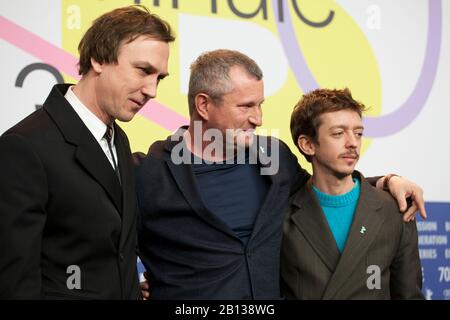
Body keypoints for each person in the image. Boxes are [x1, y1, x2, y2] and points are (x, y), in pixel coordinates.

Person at [136, 49, 426, 299]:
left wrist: (388, 182)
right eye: (246, 106)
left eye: (260, 105)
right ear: (203, 105)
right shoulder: (149, 172)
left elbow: (322, 187)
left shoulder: (273, 157)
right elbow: (108, 242)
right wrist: (127, 288)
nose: (258, 118)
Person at [0, 5, 174, 299]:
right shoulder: (25, 146)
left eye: (159, 78)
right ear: (98, 59)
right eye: (143, 70)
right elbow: (15, 280)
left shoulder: (119, 139)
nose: (152, 90)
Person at [281, 88, 423, 299]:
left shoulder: (395, 210)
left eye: (358, 133)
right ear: (308, 145)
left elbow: (409, 295)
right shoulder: (281, 215)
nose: (353, 143)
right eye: (338, 133)